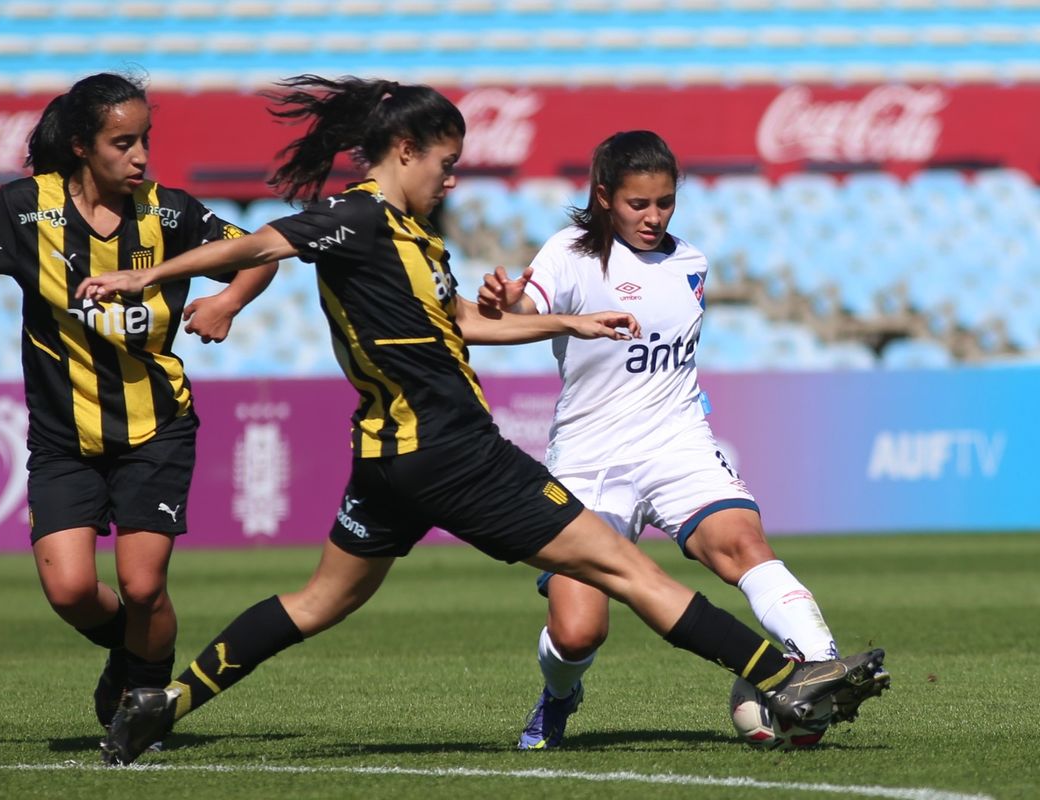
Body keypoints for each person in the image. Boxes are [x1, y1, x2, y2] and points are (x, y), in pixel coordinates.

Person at [74, 76, 886, 766]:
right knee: (630, 574)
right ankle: (787, 680)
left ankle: (167, 703)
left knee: (319, 601)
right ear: (405, 152)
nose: (453, 180)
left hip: (389, 460)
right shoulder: (353, 219)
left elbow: (465, 320)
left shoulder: (416, 242)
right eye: (447, 163)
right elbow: (255, 245)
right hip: (455, 452)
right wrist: (142, 281)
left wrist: (569, 325)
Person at [0, 72, 278, 731]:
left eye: (145, 140)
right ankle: (133, 656)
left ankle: (144, 699)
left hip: (155, 429)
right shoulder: (25, 211)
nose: (140, 156)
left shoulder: (172, 214)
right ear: (82, 145)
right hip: (62, 440)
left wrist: (227, 299)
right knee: (71, 590)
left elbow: (261, 252)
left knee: (142, 587)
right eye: (123, 142)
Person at [478, 130, 890, 750]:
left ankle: (819, 666)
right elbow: (520, 307)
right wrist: (502, 301)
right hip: (588, 461)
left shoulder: (691, 263)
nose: (653, 217)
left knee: (740, 543)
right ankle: (559, 696)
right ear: (603, 197)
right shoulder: (569, 254)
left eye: (664, 202)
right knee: (579, 632)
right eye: (637, 204)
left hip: (676, 442)